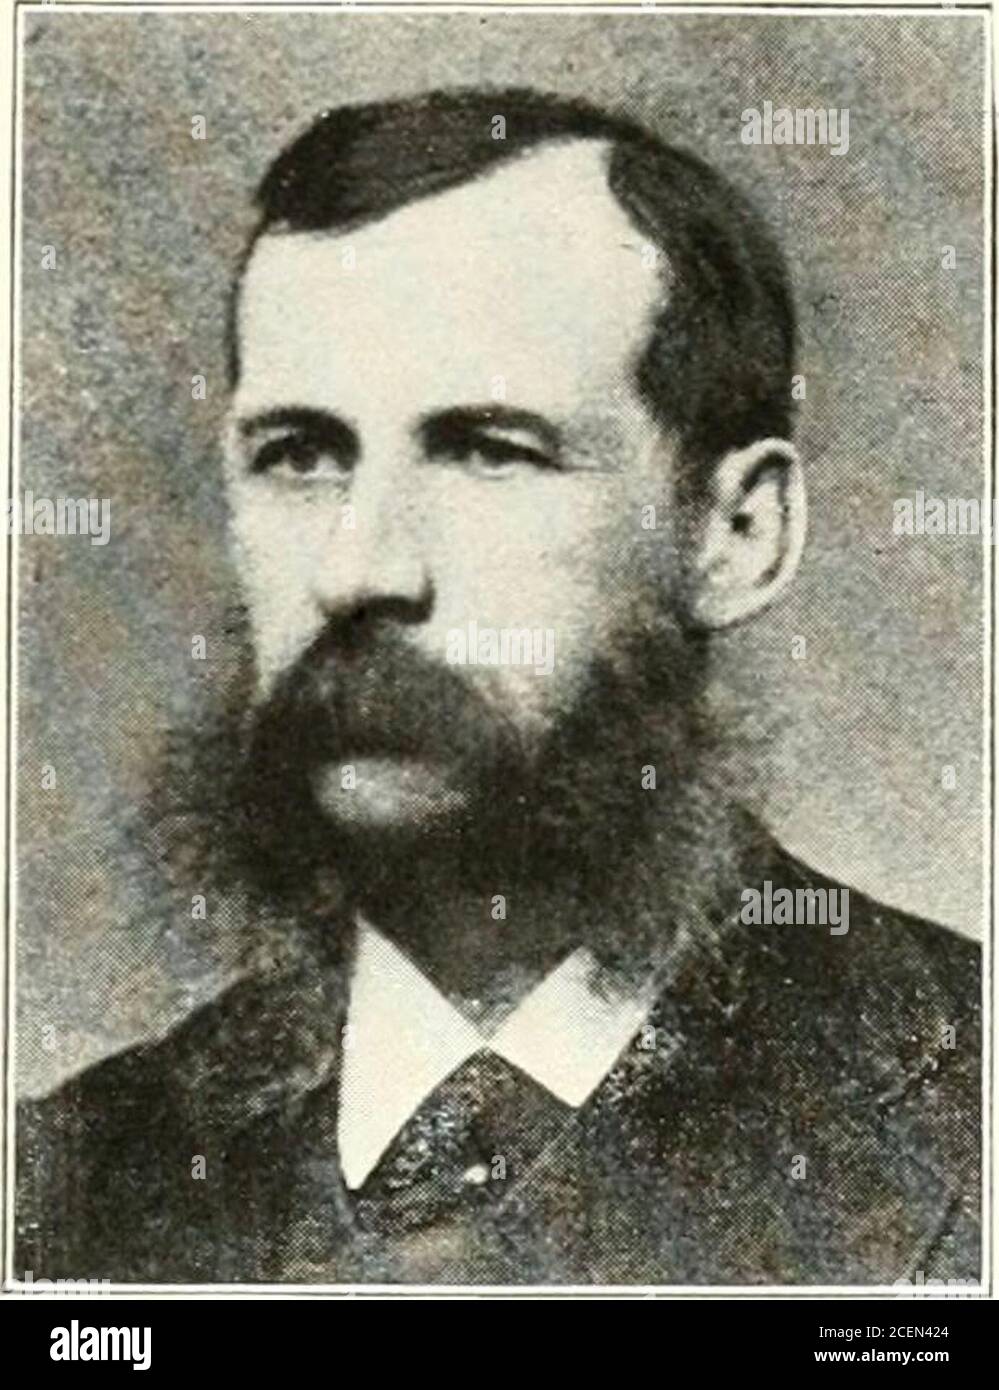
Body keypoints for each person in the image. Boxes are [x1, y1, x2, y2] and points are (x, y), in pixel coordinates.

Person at [16, 89, 980, 1286]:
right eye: (299, 455)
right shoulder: (68, 1193)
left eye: (486, 451)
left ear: (737, 534)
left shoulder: (963, 1107)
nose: (359, 570)